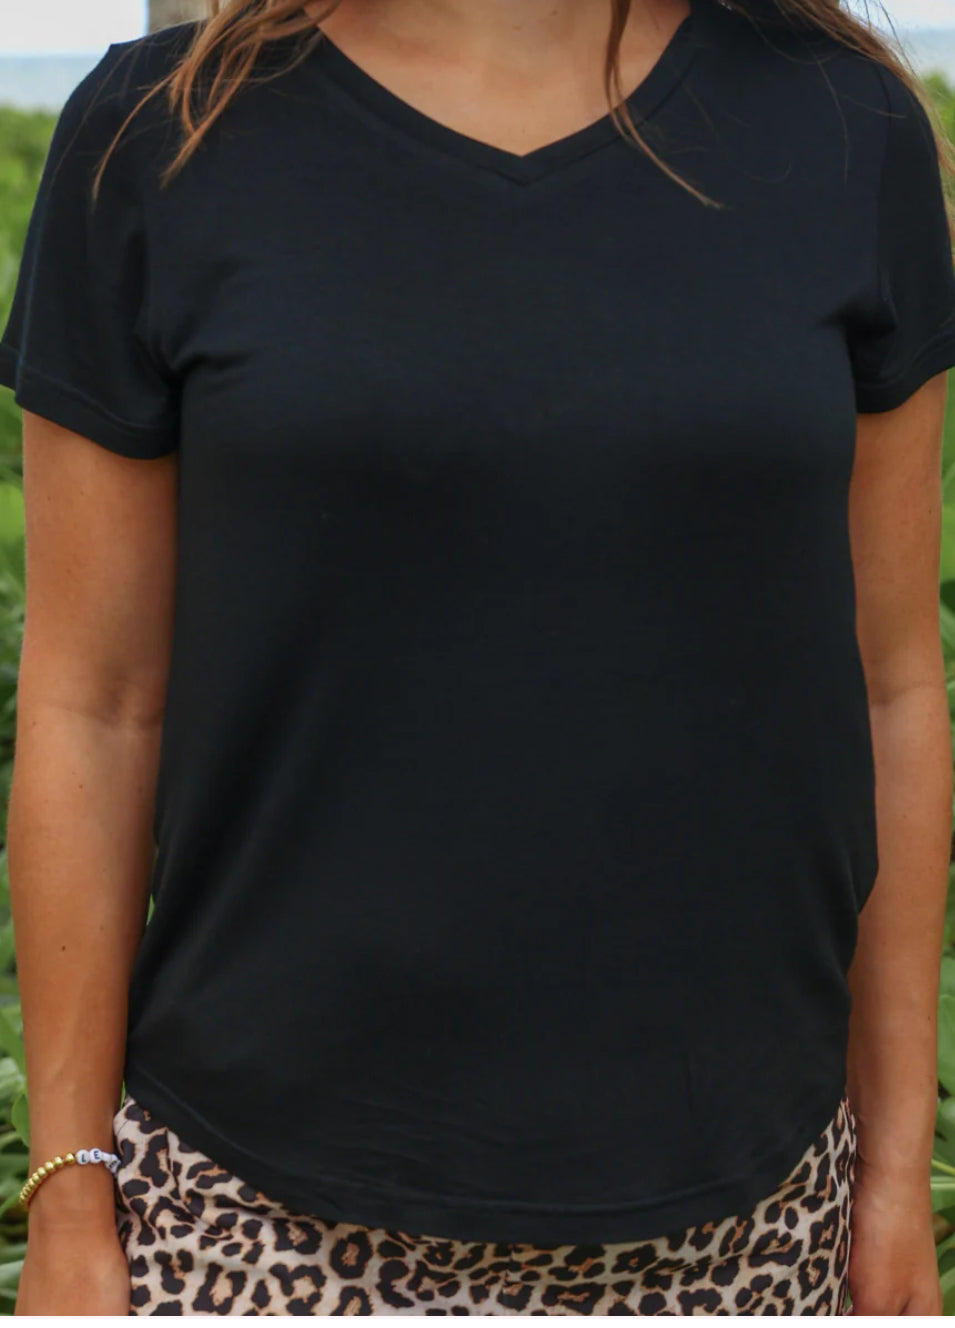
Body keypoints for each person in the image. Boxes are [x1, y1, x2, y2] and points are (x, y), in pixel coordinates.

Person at [1, 0, 953, 1313]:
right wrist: (69, 1191)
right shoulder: (158, 138)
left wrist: (895, 1174)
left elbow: (892, 683)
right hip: (248, 1220)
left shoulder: (842, 124)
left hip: (756, 1228)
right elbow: (93, 706)